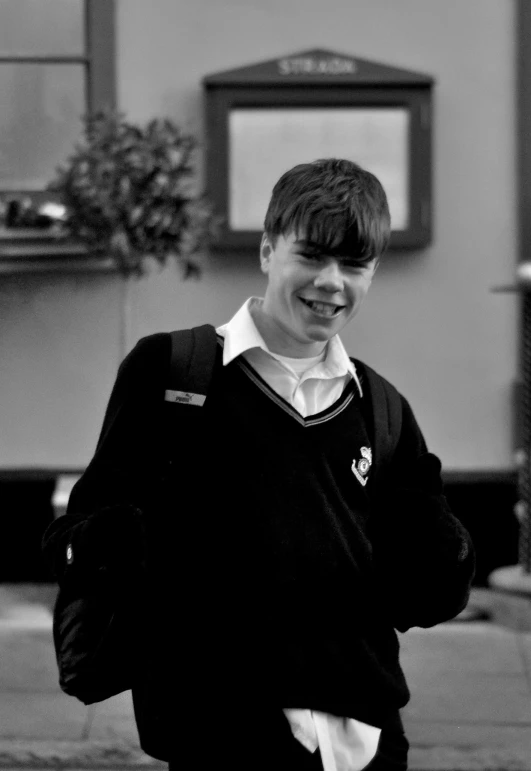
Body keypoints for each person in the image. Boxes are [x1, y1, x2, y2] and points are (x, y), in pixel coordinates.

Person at [42, 158, 475, 771]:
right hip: (220, 732)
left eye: (354, 265)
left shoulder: (381, 408)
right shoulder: (171, 373)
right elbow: (71, 541)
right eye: (312, 256)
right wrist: (118, 544)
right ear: (269, 250)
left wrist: (444, 562)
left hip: (367, 738)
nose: (331, 282)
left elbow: (426, 586)